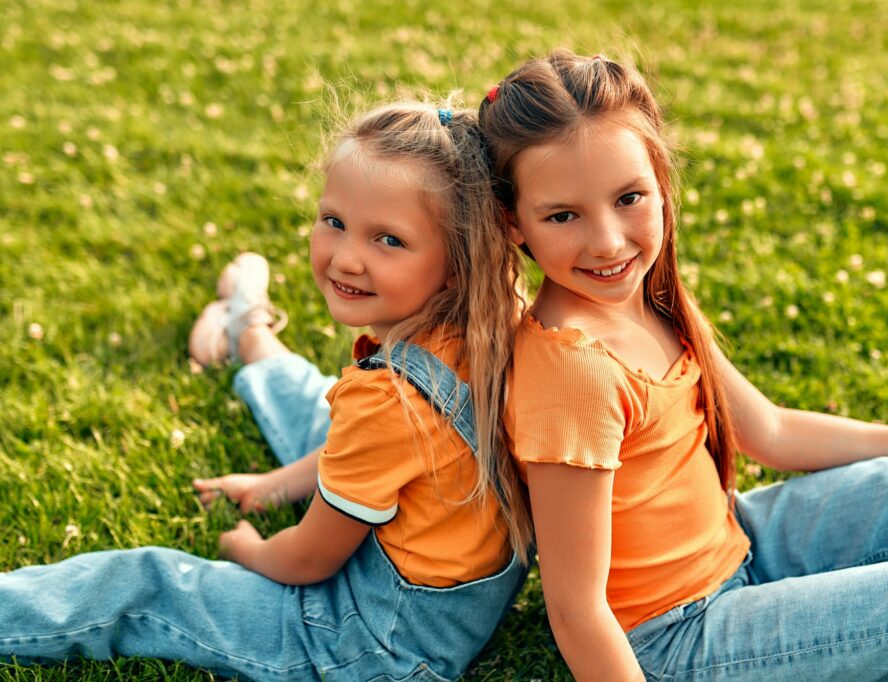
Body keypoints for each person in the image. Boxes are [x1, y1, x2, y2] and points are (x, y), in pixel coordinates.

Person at [478, 49, 888, 681]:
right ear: (512, 222)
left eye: (629, 198)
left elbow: (770, 430)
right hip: (678, 639)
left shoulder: (645, 296)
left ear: (660, 182)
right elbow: (577, 610)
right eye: (563, 215)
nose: (607, 241)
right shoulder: (572, 370)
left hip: (743, 541)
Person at [0, 101, 532, 682]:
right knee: (322, 402)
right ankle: (246, 329)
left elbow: (307, 558)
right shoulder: (492, 321)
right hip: (445, 595)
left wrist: (248, 550)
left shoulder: (389, 402)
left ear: (457, 261)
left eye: (388, 239)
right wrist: (270, 486)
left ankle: (246, 322)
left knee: (148, 583)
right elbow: (366, 448)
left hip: (372, 645)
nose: (346, 257)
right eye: (334, 221)